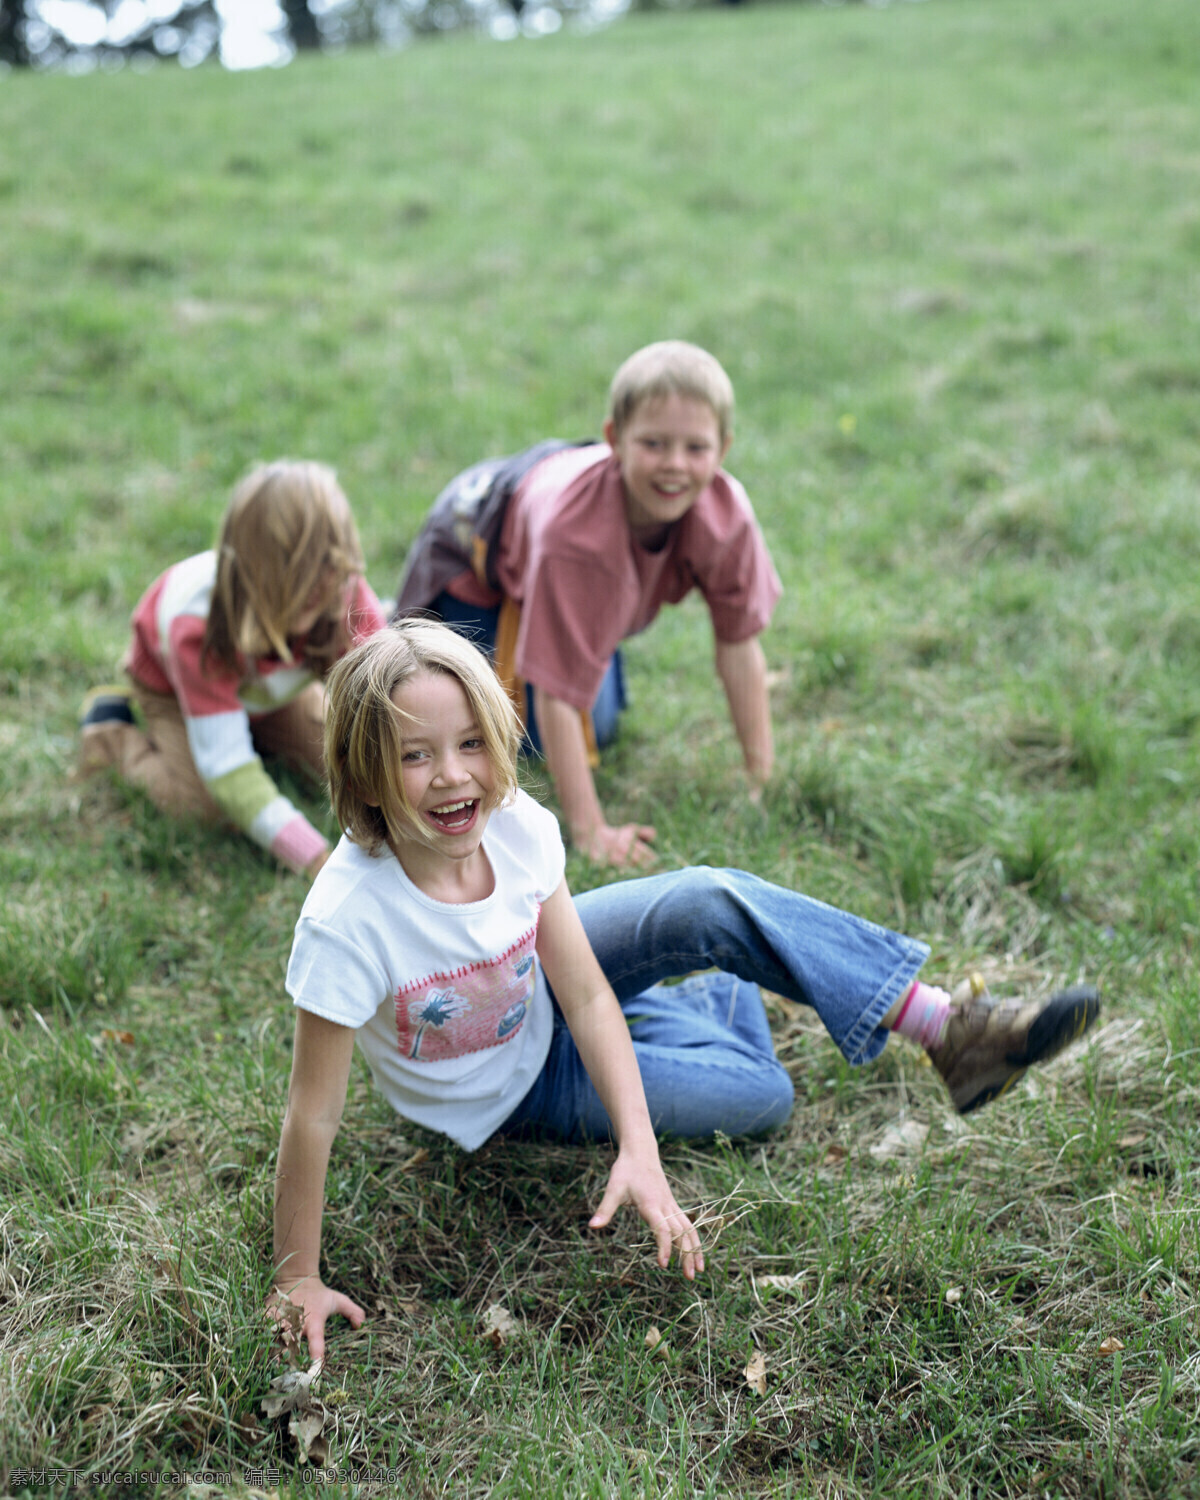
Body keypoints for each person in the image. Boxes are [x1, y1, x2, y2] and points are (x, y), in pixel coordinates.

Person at [271, 620, 1101, 1361]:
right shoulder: (350, 919)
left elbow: (589, 997)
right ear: (368, 776)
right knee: (763, 1096)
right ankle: (722, 1000)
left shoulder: (516, 827)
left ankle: (946, 1027)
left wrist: (641, 1146)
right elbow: (313, 1115)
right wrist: (296, 1278)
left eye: (470, 745)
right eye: (415, 756)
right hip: (514, 1089)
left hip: (550, 992)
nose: (453, 777)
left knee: (704, 898)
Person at [393, 341, 781, 870]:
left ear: (724, 449)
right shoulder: (576, 539)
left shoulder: (726, 514)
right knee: (527, 740)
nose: (674, 465)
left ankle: (571, 624)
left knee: (594, 719)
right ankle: (388, 617)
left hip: (555, 543)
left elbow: (740, 645)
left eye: (695, 448)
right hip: (471, 554)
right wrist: (592, 832)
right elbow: (554, 695)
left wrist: (760, 777)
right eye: (654, 443)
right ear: (614, 440)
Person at [77, 460, 388, 878]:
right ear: (255, 574)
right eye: (299, 578)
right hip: (174, 691)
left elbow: (385, 713)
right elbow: (227, 769)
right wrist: (317, 860)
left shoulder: (340, 587)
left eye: (330, 570)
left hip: (273, 693)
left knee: (345, 754)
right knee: (202, 806)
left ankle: (248, 729)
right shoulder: (197, 624)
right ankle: (111, 733)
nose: (321, 586)